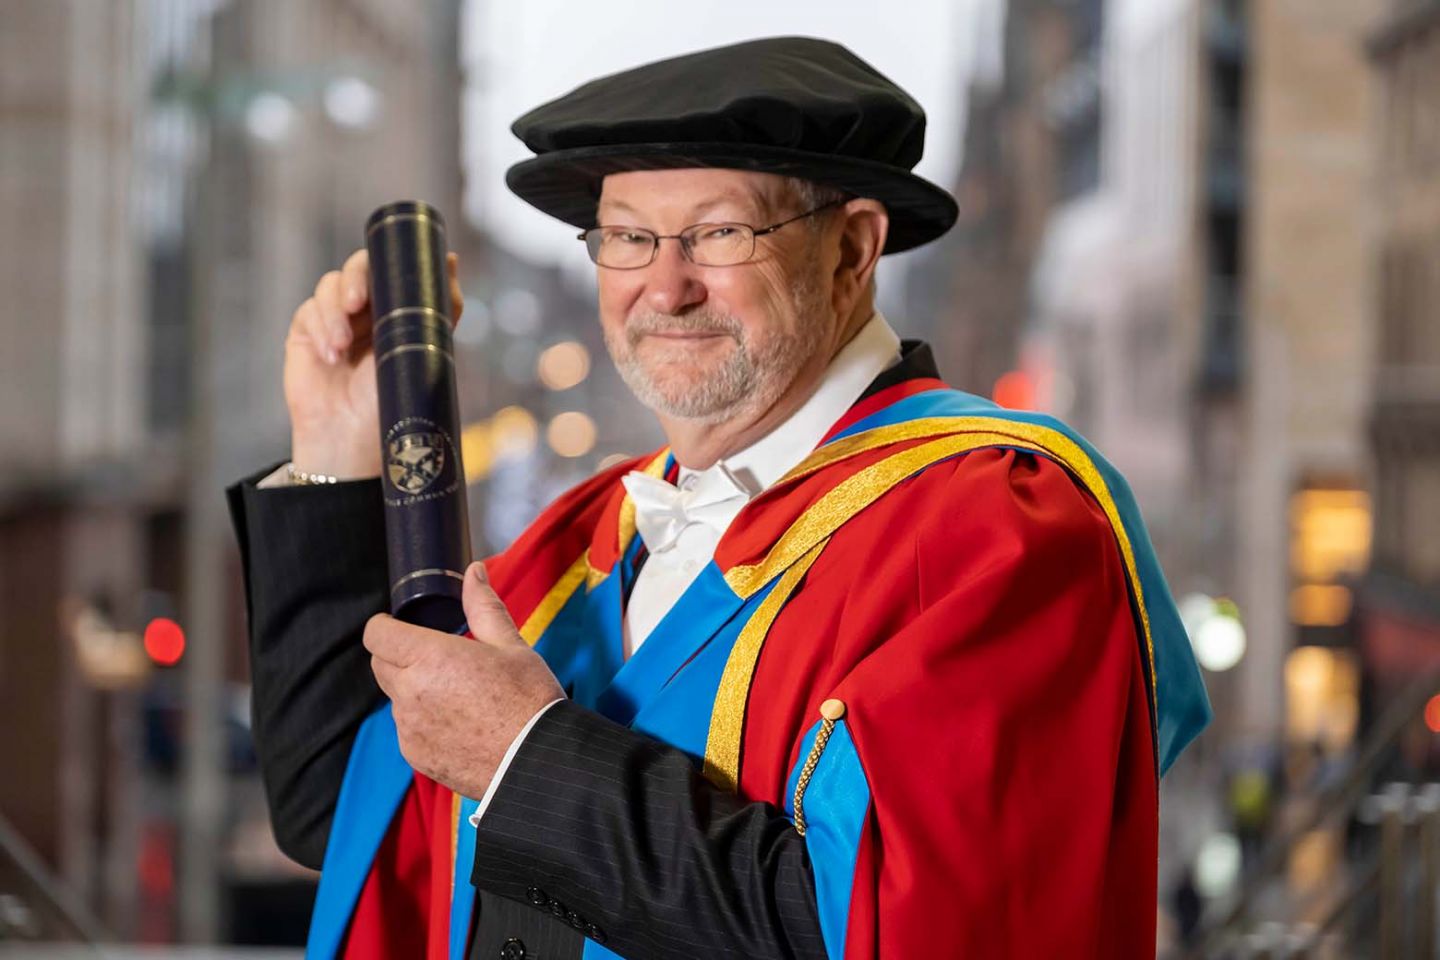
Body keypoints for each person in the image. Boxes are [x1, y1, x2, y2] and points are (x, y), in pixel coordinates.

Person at [226, 36, 1211, 960]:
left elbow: (895, 931)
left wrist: (528, 763)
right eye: (626, 237)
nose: (666, 286)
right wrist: (333, 452)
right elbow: (353, 815)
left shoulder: (995, 527)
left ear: (851, 250)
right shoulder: (590, 536)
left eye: (719, 232)